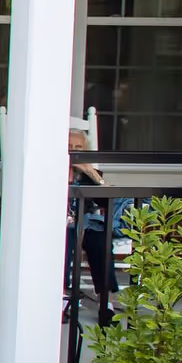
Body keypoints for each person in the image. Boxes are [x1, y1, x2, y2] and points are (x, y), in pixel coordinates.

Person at [67, 126, 128, 323]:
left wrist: (93, 175)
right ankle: (61, 300)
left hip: (86, 226)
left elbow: (109, 200)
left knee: (101, 241)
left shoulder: (91, 174)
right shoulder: (50, 172)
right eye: (69, 146)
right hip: (57, 227)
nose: (74, 150)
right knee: (65, 241)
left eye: (79, 147)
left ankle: (106, 304)